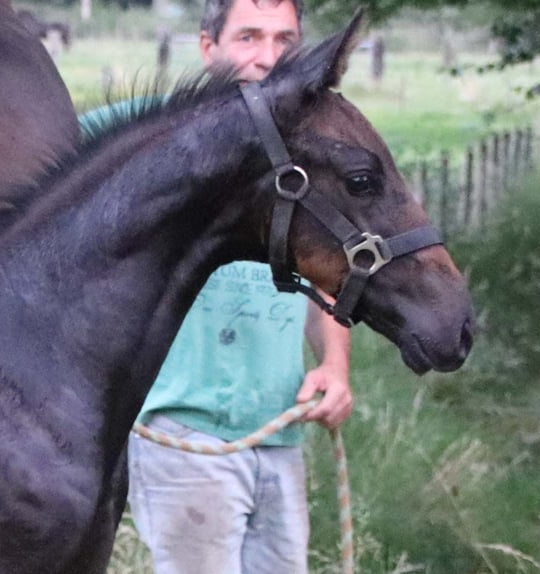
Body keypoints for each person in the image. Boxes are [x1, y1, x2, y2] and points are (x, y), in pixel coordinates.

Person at [126, 0, 353, 573]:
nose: (268, 58)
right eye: (248, 37)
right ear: (209, 49)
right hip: (182, 428)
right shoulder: (137, 140)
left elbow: (328, 268)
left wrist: (335, 365)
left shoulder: (308, 154)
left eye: (285, 40)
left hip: (279, 427)